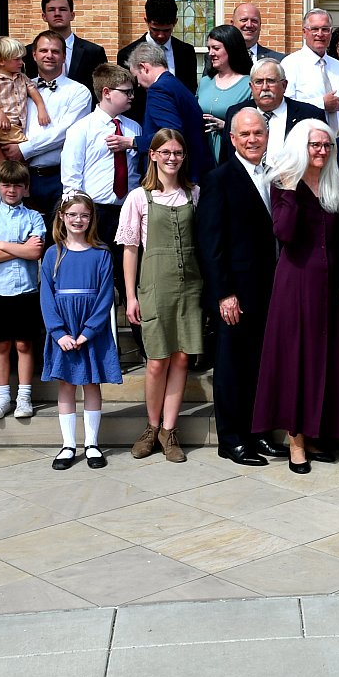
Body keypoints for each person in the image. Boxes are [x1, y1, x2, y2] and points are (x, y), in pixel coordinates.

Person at [251, 120, 339, 473]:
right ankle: (296, 441)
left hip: (330, 286)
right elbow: (284, 232)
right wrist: (292, 189)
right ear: (300, 147)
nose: (321, 151)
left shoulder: (334, 182)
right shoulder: (283, 184)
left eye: (326, 145)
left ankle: (315, 432)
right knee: (296, 361)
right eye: (314, 145)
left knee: (323, 359)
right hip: (295, 284)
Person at [197, 108, 284, 465]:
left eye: (258, 133)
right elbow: (211, 243)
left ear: (267, 136)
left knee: (261, 366)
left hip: (270, 288)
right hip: (236, 293)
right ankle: (232, 439)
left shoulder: (274, 175)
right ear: (232, 139)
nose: (252, 139)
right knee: (233, 367)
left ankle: (258, 432)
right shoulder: (218, 179)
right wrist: (224, 293)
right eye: (245, 134)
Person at [120, 129, 203, 464]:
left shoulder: (194, 193)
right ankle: (151, 427)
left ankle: (170, 430)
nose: (172, 158)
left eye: (178, 152)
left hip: (190, 286)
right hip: (154, 285)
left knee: (182, 358)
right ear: (152, 155)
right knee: (157, 361)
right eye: (166, 152)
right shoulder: (139, 197)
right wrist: (131, 296)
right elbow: (130, 249)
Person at [40, 191, 122, 469]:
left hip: (90, 331)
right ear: (62, 217)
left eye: (84, 215)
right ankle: (68, 445)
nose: (78, 220)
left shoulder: (101, 254)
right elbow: (47, 297)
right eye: (73, 214)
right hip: (64, 329)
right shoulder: (53, 254)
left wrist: (88, 331)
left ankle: (92, 444)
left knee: (91, 383)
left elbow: (105, 297)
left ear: (91, 219)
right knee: (66, 384)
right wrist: (59, 333)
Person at [60, 63, 141, 304]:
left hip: (127, 210)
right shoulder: (81, 129)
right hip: (97, 212)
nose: (132, 96)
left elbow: (136, 172)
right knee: (95, 277)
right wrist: (78, 217)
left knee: (129, 276)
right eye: (126, 92)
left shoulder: (133, 128)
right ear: (106, 92)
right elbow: (72, 178)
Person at [0, 160, 46, 421]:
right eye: (6, 185)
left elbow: (35, 252)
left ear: (25, 188)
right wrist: (20, 248)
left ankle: (24, 396)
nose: (11, 190)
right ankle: (3, 396)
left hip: (26, 290)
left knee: (24, 343)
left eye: (17, 185)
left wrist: (2, 244)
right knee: (1, 344)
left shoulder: (34, 217)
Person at [19, 31, 96, 214]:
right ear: (34, 55)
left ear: (64, 56)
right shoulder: (20, 88)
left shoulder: (79, 92)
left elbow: (66, 132)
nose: (49, 55)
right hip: (24, 176)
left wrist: (24, 149)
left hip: (60, 177)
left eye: (55, 51)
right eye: (43, 50)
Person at [127, 39, 213, 182]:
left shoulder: (158, 90)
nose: (139, 85)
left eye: (137, 78)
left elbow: (171, 134)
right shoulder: (175, 84)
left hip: (177, 175)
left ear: (144, 67)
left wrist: (133, 142)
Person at [122, 0, 198, 124]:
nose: (161, 35)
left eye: (167, 30)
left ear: (175, 22)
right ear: (146, 21)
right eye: (155, 29)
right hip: (142, 123)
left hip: (179, 122)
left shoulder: (186, 52)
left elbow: (190, 89)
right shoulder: (127, 54)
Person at [0, 35, 52, 160]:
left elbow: (33, 91)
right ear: (2, 61)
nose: (21, 63)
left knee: (14, 157)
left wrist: (41, 108)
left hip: (18, 127)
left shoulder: (22, 77)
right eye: (17, 59)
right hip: (3, 128)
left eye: (21, 59)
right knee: (24, 150)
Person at [224, 59, 326, 142]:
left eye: (271, 81)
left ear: (284, 85)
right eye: (259, 82)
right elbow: (227, 157)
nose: (265, 87)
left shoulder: (310, 115)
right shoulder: (235, 114)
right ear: (251, 87)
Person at [197, 23, 254, 161]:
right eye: (209, 48)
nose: (211, 53)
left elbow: (256, 123)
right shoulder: (205, 82)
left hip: (231, 154)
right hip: (202, 155)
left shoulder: (249, 84)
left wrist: (226, 126)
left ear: (231, 49)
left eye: (216, 48)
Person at [281, 8, 339, 117]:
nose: (320, 34)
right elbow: (284, 105)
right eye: (314, 29)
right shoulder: (290, 64)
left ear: (331, 33)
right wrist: (321, 104)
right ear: (304, 32)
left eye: (325, 29)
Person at [41, 0, 108, 96]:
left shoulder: (94, 52)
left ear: (72, 15)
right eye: (51, 10)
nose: (57, 14)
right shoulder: (29, 53)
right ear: (44, 16)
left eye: (62, 9)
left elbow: (103, 91)